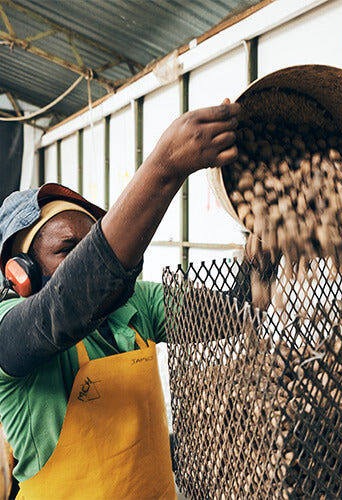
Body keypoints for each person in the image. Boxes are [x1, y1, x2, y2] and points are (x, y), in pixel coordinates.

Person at [0, 100, 243, 499]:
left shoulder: (136, 306)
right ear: (21, 272)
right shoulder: (11, 330)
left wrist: (260, 264)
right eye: (67, 250)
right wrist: (163, 169)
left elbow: (230, 315)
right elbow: (68, 305)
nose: (85, 261)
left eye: (90, 245)